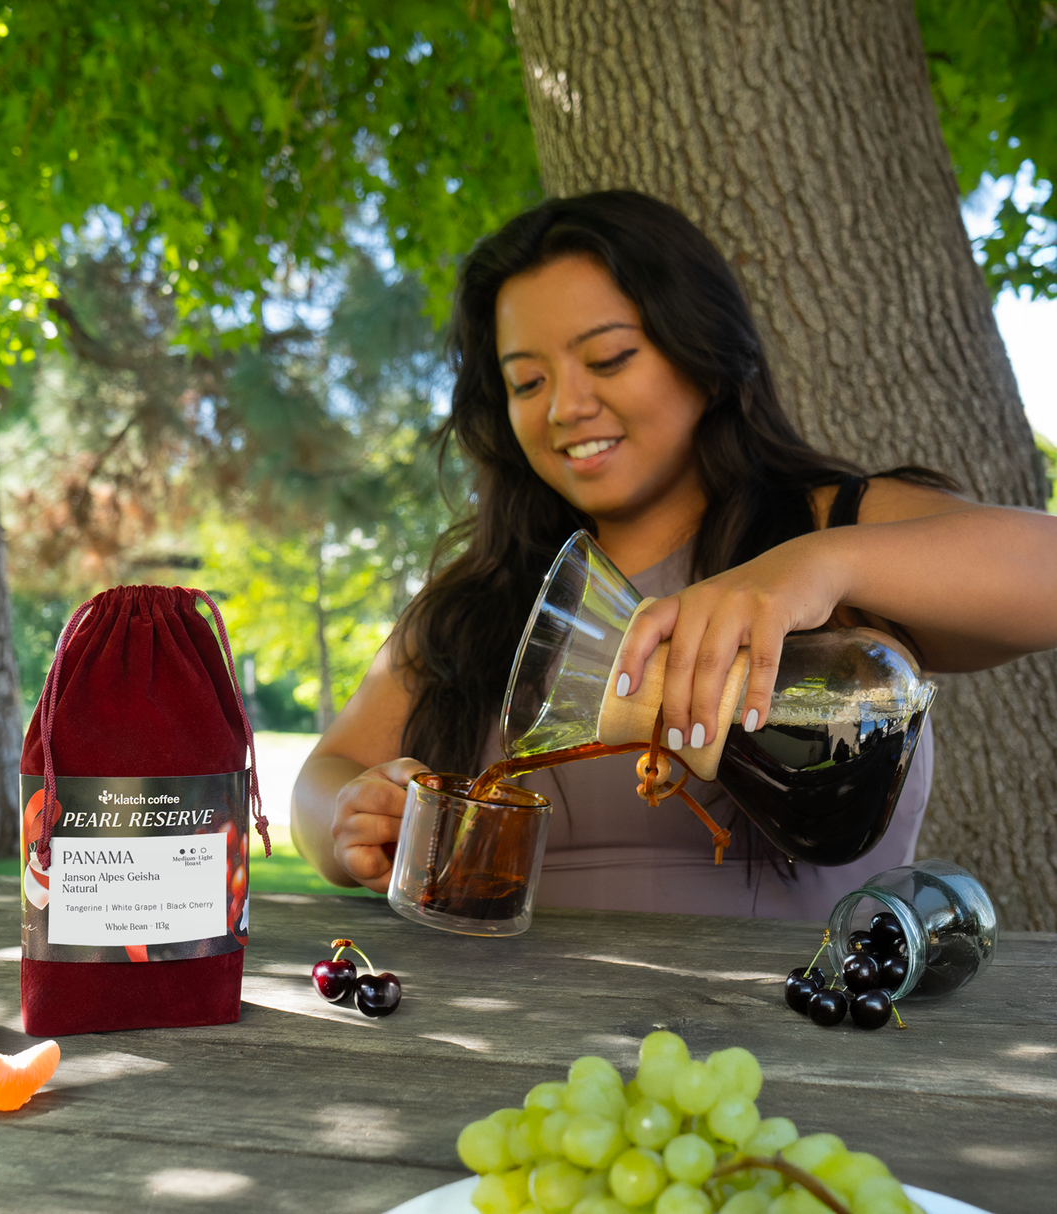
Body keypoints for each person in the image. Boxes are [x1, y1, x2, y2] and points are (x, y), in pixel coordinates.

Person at [290, 191, 1057, 919]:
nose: (565, 408)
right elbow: (324, 777)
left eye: (610, 358)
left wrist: (815, 568)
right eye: (527, 381)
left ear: (704, 351)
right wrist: (348, 822)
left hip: (799, 1043)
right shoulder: (478, 602)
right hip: (510, 1046)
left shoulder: (834, 521)